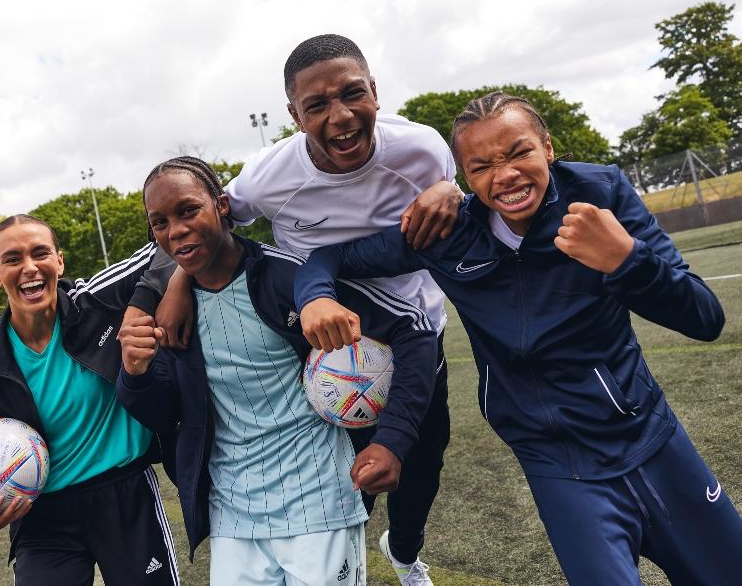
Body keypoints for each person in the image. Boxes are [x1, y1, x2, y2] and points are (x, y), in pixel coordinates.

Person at [295, 91, 742, 584]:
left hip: (653, 439)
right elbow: (326, 259)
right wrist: (316, 297)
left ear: (547, 147)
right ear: (463, 178)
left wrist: (626, 259)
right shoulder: (446, 234)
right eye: (482, 165)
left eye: (519, 153)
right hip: (559, 467)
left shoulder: (600, 193)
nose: (505, 175)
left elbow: (706, 318)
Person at [155, 34, 461, 585]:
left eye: (352, 95)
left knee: (419, 465)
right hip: (329, 334)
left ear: (375, 91)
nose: (340, 116)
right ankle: (338, 554)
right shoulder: (268, 178)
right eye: (317, 105)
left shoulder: (423, 148)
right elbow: (197, 225)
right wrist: (176, 278)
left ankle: (406, 552)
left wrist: (454, 191)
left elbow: (469, 192)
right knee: (349, 464)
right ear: (295, 115)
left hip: (415, 330)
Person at [116, 157, 440, 585]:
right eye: (159, 222)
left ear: (222, 206)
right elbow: (166, 413)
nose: (175, 230)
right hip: (232, 514)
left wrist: (392, 442)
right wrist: (134, 374)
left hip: (319, 502)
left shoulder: (287, 278)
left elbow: (414, 329)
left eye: (188, 210)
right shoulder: (171, 312)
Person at [0, 214, 180, 586]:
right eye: (12, 259)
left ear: (59, 262)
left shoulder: (97, 300)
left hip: (125, 494)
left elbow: (171, 246)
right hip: (43, 517)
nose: (29, 267)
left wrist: (142, 303)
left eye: (40, 253)